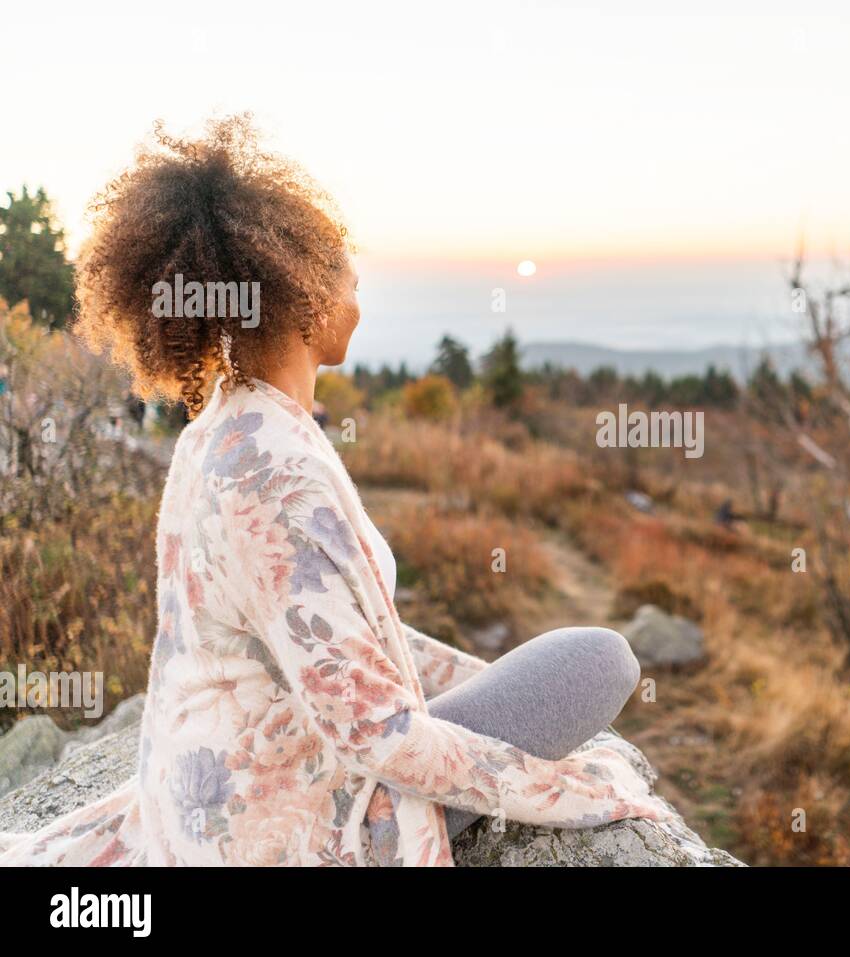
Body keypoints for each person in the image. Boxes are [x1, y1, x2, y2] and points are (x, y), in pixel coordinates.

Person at [0, 116, 663, 867]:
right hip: (289, 811)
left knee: (562, 666)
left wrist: (486, 680)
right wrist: (567, 786)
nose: (360, 299)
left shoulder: (229, 427)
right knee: (603, 661)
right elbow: (376, 735)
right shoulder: (276, 475)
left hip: (249, 757)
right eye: (351, 280)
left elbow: (337, 641)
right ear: (309, 300)